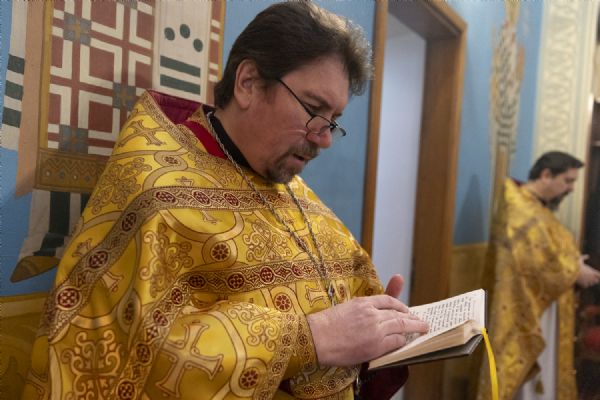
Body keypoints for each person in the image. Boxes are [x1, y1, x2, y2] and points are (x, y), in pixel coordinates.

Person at [22, 2, 429, 399]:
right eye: (313, 109)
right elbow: (134, 356)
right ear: (248, 82)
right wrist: (310, 338)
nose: (324, 139)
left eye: (333, 121)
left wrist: (378, 328)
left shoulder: (296, 193)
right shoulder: (156, 189)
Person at [476, 151, 600, 400]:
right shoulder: (519, 207)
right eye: (568, 180)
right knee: (530, 382)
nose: (571, 188)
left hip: (547, 305)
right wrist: (574, 271)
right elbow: (531, 260)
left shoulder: (536, 208)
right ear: (546, 175)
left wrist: (573, 263)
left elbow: (549, 250)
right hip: (529, 310)